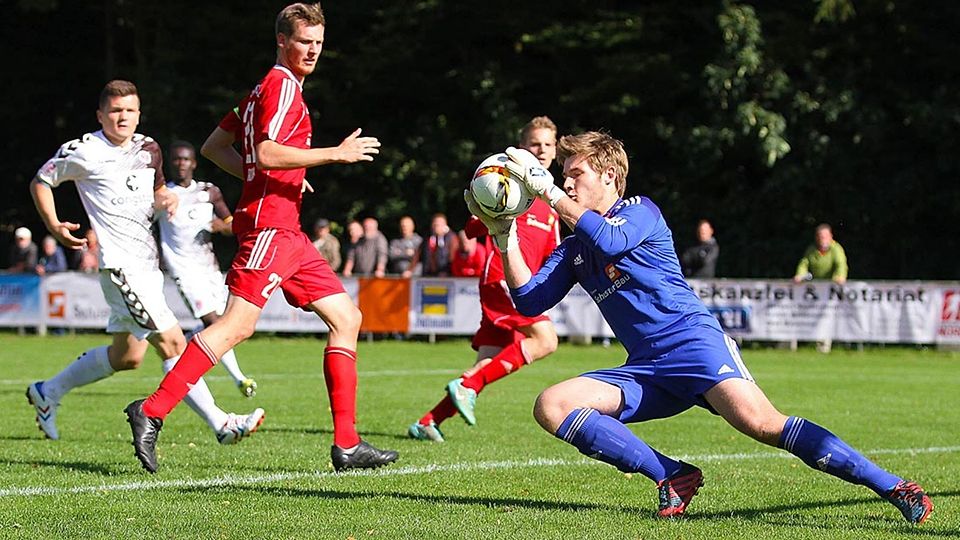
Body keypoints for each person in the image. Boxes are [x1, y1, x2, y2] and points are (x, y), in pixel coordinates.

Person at [476, 130, 932, 523]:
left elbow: (611, 241)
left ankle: (894, 487)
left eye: (576, 174)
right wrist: (504, 235)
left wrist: (546, 191)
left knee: (764, 424)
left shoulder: (639, 212)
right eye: (565, 175)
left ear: (609, 177)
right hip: (647, 367)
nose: (565, 182)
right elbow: (529, 299)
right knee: (552, 405)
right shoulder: (576, 246)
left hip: (695, 346)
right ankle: (672, 475)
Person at [126, 2, 398, 474]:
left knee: (347, 317)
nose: (312, 50)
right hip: (271, 227)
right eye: (303, 41)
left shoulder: (256, 93)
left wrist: (282, 177)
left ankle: (348, 445)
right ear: (281, 41)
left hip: (286, 228)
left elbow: (217, 148)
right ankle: (150, 411)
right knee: (236, 326)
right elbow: (269, 152)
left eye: (318, 42)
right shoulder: (281, 86)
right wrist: (333, 154)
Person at [26, 79, 263, 447]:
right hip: (121, 267)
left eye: (129, 111)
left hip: (147, 268)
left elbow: (157, 191)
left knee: (127, 356)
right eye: (115, 111)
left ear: (138, 114)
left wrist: (165, 199)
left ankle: (47, 391)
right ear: (100, 115)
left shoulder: (148, 147)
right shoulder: (84, 150)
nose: (123, 117)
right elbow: (41, 181)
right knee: (172, 344)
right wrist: (54, 225)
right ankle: (222, 423)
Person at [409, 115, 561, 442]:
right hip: (502, 280)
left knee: (488, 364)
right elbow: (471, 229)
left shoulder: (550, 203)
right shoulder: (507, 188)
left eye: (549, 144)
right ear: (521, 148)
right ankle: (467, 386)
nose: (543, 150)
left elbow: (552, 254)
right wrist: (491, 215)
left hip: (524, 287)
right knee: (546, 341)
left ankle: (427, 421)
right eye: (536, 143)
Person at [157, 140, 258, 398]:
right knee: (215, 323)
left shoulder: (209, 191)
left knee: (227, 324)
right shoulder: (163, 196)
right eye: (177, 159)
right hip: (183, 270)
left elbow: (232, 224)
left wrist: (218, 227)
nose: (181, 164)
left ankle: (190, 340)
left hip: (210, 268)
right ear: (171, 163)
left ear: (194, 163)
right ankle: (240, 379)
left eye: (186, 159)